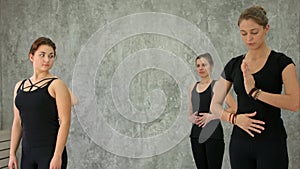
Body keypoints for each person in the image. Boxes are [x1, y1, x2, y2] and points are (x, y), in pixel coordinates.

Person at [208, 5, 299, 169]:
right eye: (243, 33)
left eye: (254, 32)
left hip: (271, 143)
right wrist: (234, 119)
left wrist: (255, 92)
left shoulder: (282, 63)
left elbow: (294, 103)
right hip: (240, 144)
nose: (249, 38)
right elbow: (214, 105)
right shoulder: (234, 65)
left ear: (266, 29)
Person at [8, 37, 74, 169]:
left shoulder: (57, 84)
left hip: (49, 153)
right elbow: (17, 122)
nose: (47, 60)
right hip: (27, 153)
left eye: (51, 56)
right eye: (42, 55)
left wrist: (57, 156)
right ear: (31, 56)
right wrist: (12, 153)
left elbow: (65, 122)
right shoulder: (19, 86)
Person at [188, 53, 237, 169]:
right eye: (198, 65)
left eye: (204, 65)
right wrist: (191, 118)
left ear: (211, 66)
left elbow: (234, 108)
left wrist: (212, 116)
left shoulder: (218, 85)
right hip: (196, 135)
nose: (201, 68)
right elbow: (189, 113)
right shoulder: (192, 87)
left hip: (213, 135)